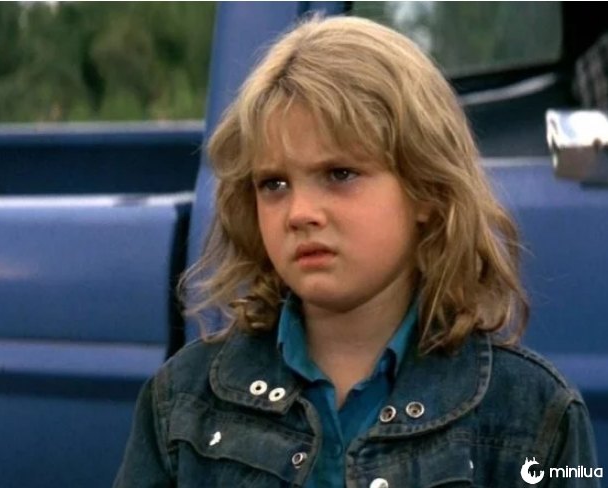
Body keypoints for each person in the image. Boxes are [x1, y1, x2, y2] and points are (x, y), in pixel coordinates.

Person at [114, 15, 599, 488]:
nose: (300, 213)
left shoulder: (535, 418)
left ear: (427, 189)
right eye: (274, 184)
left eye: (339, 174)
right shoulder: (182, 401)